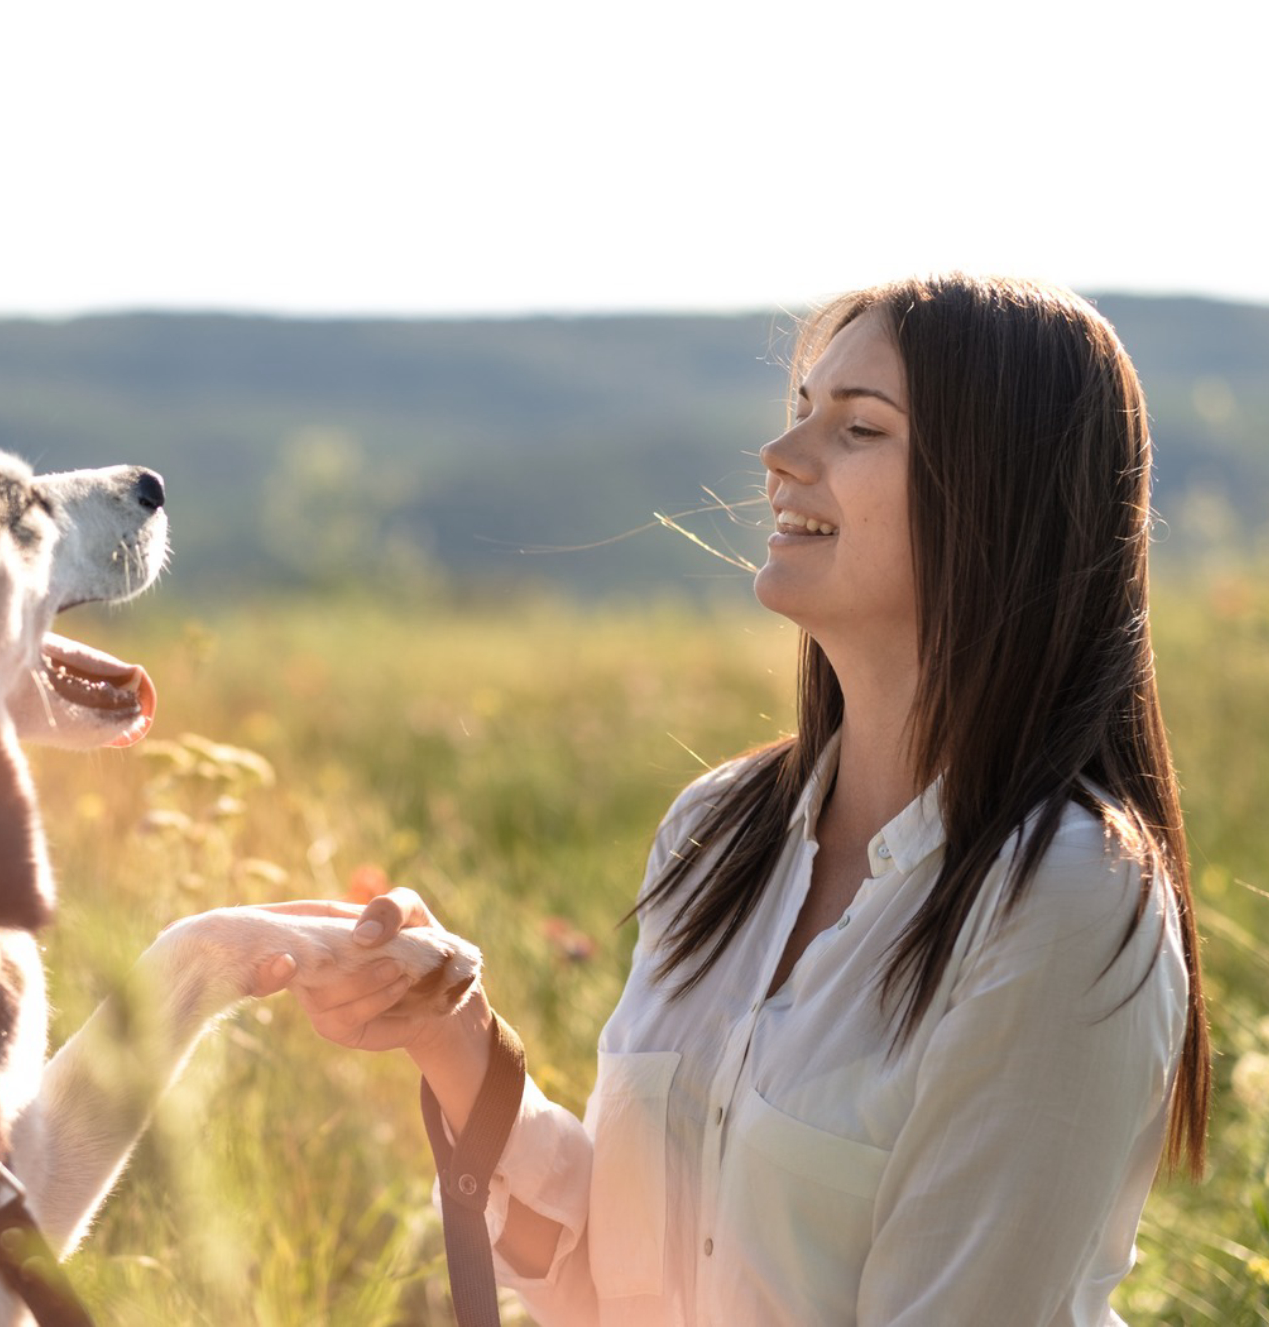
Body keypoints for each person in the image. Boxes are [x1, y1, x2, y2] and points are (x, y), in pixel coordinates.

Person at [261, 273, 1211, 1325]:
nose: (781, 458)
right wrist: (450, 1037)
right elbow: (622, 1284)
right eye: (799, 410)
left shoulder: (1064, 900)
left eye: (857, 428)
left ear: (1002, 493)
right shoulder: (716, 833)